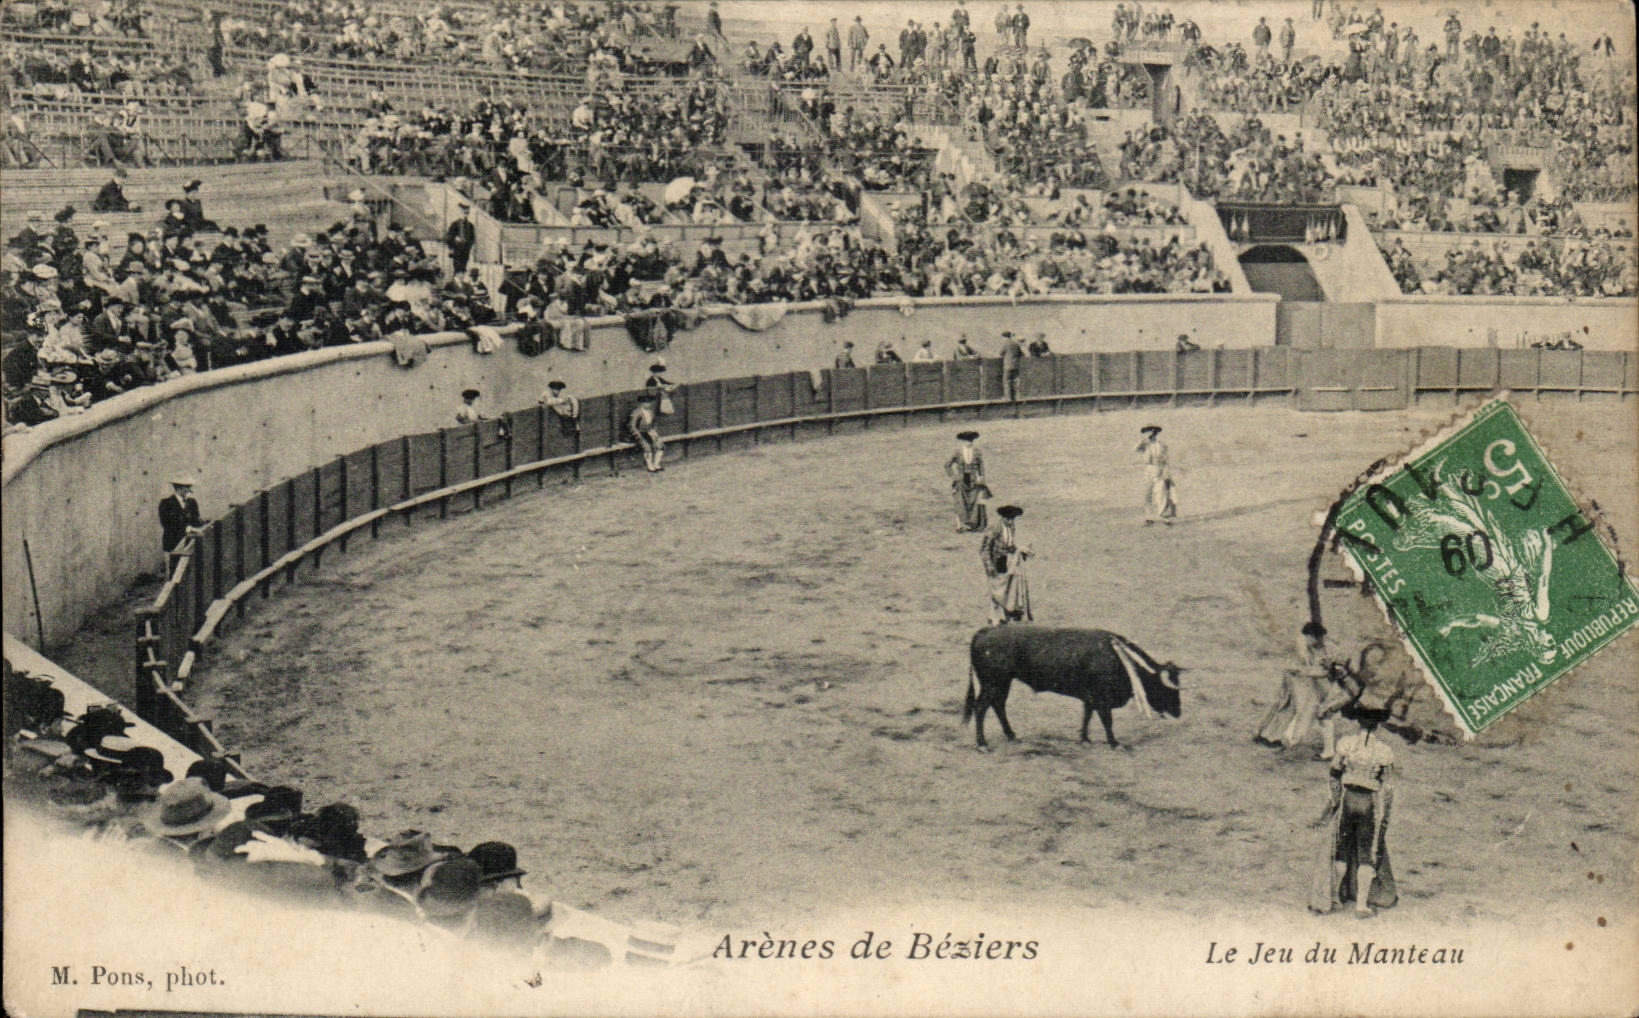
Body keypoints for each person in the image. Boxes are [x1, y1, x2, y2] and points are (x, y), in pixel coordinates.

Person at [1309, 704, 1398, 917]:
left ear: (1358, 723)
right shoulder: (1384, 751)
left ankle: (1335, 897)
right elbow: (1388, 786)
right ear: (1377, 726)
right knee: (1367, 851)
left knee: (1342, 846)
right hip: (1369, 802)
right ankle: (1360, 905)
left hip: (1348, 799)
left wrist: (1334, 802)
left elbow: (1334, 775)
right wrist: (1385, 816)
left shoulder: (1346, 744)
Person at [1257, 622, 1330, 751]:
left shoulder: (1304, 647)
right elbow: (1300, 668)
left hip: (1294, 680)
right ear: (1312, 636)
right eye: (1317, 638)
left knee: (1284, 707)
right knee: (1287, 708)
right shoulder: (1301, 647)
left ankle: (1267, 735)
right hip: (1293, 680)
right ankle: (1270, 736)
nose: (1318, 642)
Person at [981, 505, 1031, 624]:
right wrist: (989, 566)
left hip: (1006, 560)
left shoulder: (1011, 527)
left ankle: (1002, 615)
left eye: (1012, 519)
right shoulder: (994, 527)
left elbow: (1010, 545)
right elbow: (984, 549)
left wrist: (1020, 550)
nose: (1010, 521)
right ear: (1002, 517)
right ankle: (993, 616)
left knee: (1005, 588)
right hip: (995, 560)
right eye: (1008, 518)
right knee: (996, 588)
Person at [945, 430, 990, 533]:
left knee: (972, 502)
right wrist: (953, 476)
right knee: (959, 501)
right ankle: (959, 525)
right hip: (961, 480)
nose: (969, 443)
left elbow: (981, 466)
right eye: (966, 441)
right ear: (963, 441)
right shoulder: (957, 452)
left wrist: (981, 476)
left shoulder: (977, 452)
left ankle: (970, 524)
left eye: (971, 440)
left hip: (973, 480)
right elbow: (947, 464)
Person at [1136, 424, 1176, 525]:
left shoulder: (1161, 445)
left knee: (1161, 492)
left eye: (1152, 433)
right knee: (1148, 493)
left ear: (1156, 434)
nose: (1150, 435)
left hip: (1159, 468)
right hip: (1148, 468)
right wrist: (1144, 440)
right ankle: (1148, 517)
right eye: (1148, 433)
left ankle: (1164, 515)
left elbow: (1166, 459)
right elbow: (1136, 448)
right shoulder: (1144, 444)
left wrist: (1166, 471)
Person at [159, 475, 203, 554]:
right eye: (187, 487)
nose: (190, 490)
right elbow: (167, 524)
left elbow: (196, 521)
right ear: (179, 488)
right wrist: (187, 528)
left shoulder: (192, 502)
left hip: (190, 545)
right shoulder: (166, 503)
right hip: (173, 544)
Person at [629, 391, 665, 472]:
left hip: (649, 431)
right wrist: (638, 436)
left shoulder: (650, 411)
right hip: (640, 433)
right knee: (647, 447)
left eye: (649, 402)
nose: (649, 404)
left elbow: (654, 423)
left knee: (660, 446)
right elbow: (632, 426)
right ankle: (650, 466)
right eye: (646, 402)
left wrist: (654, 432)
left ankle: (656, 464)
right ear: (641, 403)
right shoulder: (636, 413)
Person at [445, 203, 476, 276]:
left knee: (464, 269)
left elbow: (472, 238)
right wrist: (455, 240)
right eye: (464, 213)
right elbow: (449, 237)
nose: (466, 215)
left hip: (466, 251)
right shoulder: (455, 224)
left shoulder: (470, 225)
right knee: (458, 269)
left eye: (467, 213)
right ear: (460, 212)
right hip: (457, 251)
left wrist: (470, 245)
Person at [998, 331, 1023, 400]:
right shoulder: (1016, 344)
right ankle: (1017, 397)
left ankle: (1008, 398)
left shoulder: (1005, 344)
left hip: (1008, 366)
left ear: (1004, 337)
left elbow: (1000, 353)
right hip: (1016, 365)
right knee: (1015, 381)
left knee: (1007, 382)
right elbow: (1020, 354)